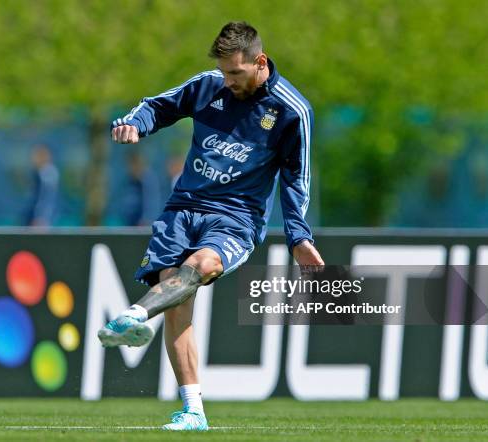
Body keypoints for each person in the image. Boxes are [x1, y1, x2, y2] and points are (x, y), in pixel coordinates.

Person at [99, 21, 324, 431]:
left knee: (198, 268)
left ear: (260, 62)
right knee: (173, 291)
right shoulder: (208, 86)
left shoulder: (292, 111)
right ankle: (193, 411)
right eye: (223, 72)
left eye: (236, 73)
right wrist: (136, 124)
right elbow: (157, 106)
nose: (228, 81)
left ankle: (130, 316)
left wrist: (298, 236)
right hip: (184, 206)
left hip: (236, 218)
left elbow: (296, 177)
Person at [23, 144, 59, 226]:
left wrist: (42, 218)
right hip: (32, 217)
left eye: (36, 156)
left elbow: (47, 199)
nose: (33, 159)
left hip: (40, 221)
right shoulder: (37, 172)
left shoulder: (48, 173)